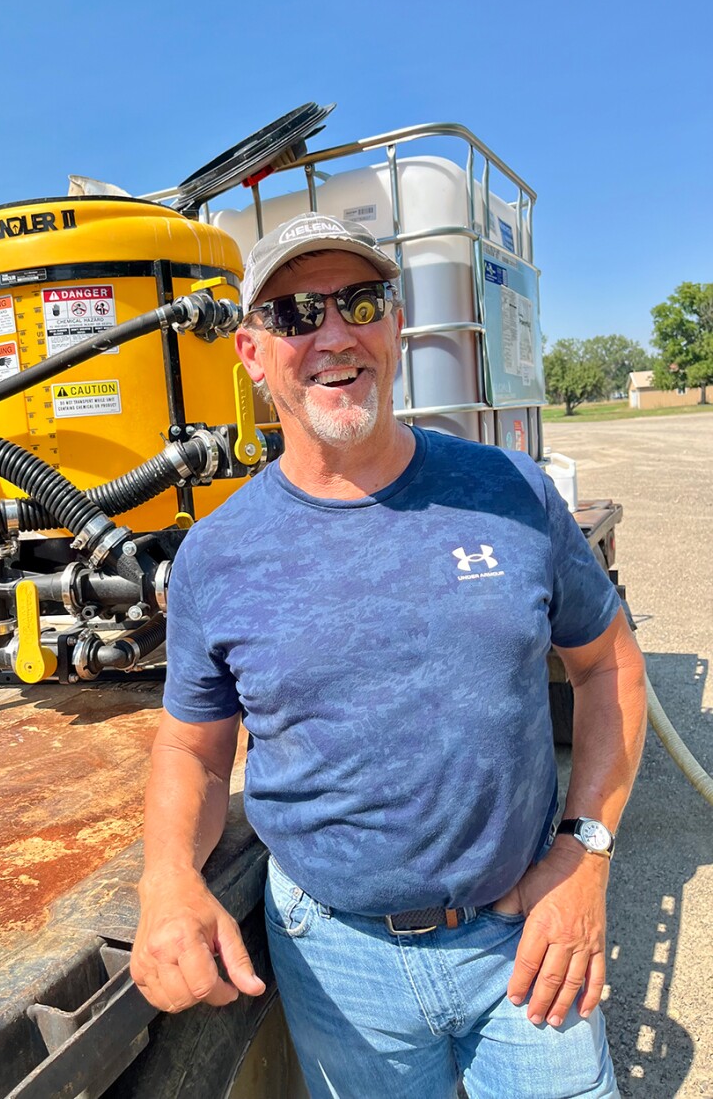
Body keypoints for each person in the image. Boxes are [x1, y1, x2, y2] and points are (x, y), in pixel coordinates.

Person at [130, 213, 648, 1098]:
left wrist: (585, 854)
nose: (333, 333)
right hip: (338, 965)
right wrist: (166, 877)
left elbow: (611, 667)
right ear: (253, 353)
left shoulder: (506, 490)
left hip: (522, 935)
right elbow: (193, 750)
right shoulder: (217, 557)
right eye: (296, 314)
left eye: (359, 301)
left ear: (396, 325)